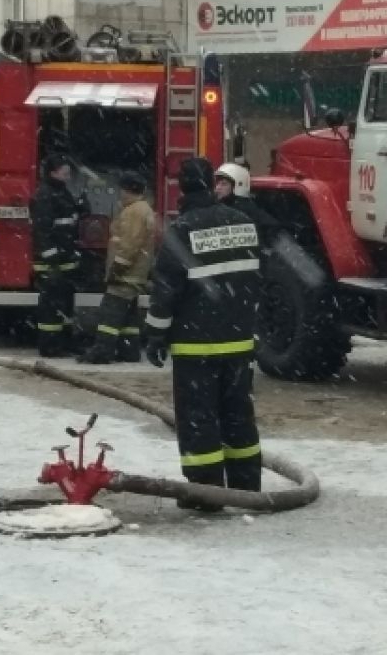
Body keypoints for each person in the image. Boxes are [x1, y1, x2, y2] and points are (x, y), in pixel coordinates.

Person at [145, 157, 263, 511]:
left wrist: (154, 336)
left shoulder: (181, 231)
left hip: (196, 345)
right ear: (211, 184)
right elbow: (255, 278)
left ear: (182, 188)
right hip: (240, 341)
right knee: (238, 415)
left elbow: (166, 291)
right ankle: (247, 487)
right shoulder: (244, 223)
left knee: (200, 419)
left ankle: (206, 494)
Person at [78, 172, 156, 365]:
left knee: (109, 315)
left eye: (121, 189)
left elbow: (130, 244)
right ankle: (129, 351)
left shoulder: (133, 212)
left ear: (127, 190)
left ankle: (102, 352)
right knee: (129, 317)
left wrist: (117, 268)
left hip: (125, 275)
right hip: (135, 275)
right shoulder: (143, 209)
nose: (119, 194)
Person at [30, 153, 89, 357]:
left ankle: (64, 342)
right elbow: (42, 230)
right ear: (53, 172)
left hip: (65, 259)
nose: (68, 175)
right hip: (52, 264)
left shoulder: (61, 191)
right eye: (64, 172)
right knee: (50, 307)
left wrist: (81, 208)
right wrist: (51, 257)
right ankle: (49, 346)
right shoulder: (45, 194)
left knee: (64, 304)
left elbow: (69, 218)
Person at [215, 162, 281, 258]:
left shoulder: (246, 210)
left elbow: (272, 227)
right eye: (217, 184)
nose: (217, 188)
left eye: (223, 184)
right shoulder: (220, 207)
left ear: (237, 186)